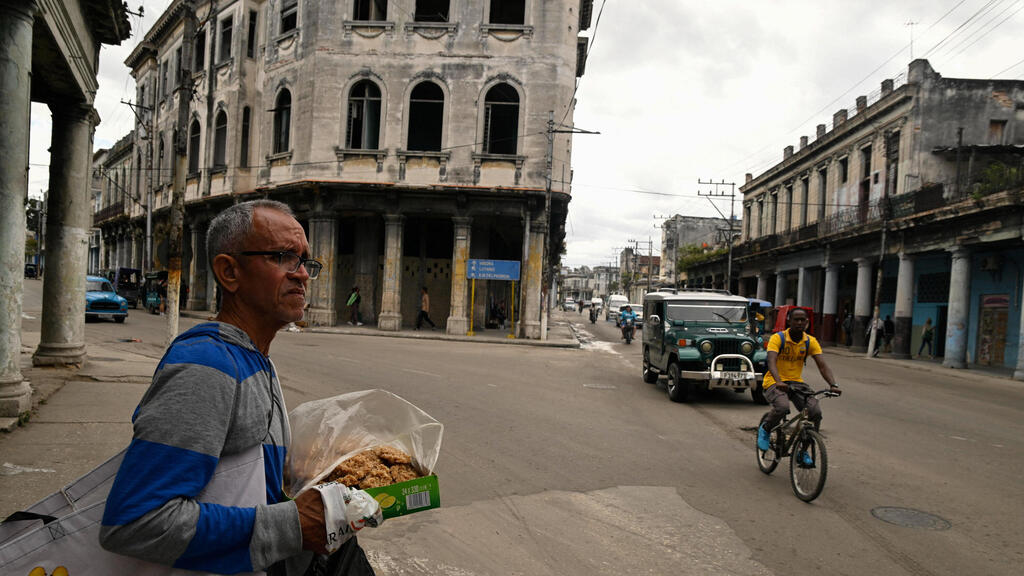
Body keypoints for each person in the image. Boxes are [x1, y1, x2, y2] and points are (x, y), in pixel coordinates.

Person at [100, 200, 378, 574]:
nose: (302, 274)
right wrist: (292, 526)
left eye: (304, 261)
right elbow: (135, 522)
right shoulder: (207, 365)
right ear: (229, 272)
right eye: (283, 257)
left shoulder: (253, 358)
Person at [756, 308, 840, 466]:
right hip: (774, 381)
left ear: (807, 322)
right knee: (782, 407)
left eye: (803, 320)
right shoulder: (778, 338)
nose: (800, 323)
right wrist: (778, 381)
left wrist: (833, 384)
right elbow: (771, 361)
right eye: (796, 320)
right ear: (789, 321)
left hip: (796, 383)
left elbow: (822, 365)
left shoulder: (810, 341)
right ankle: (766, 428)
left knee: (815, 412)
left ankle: (803, 451)